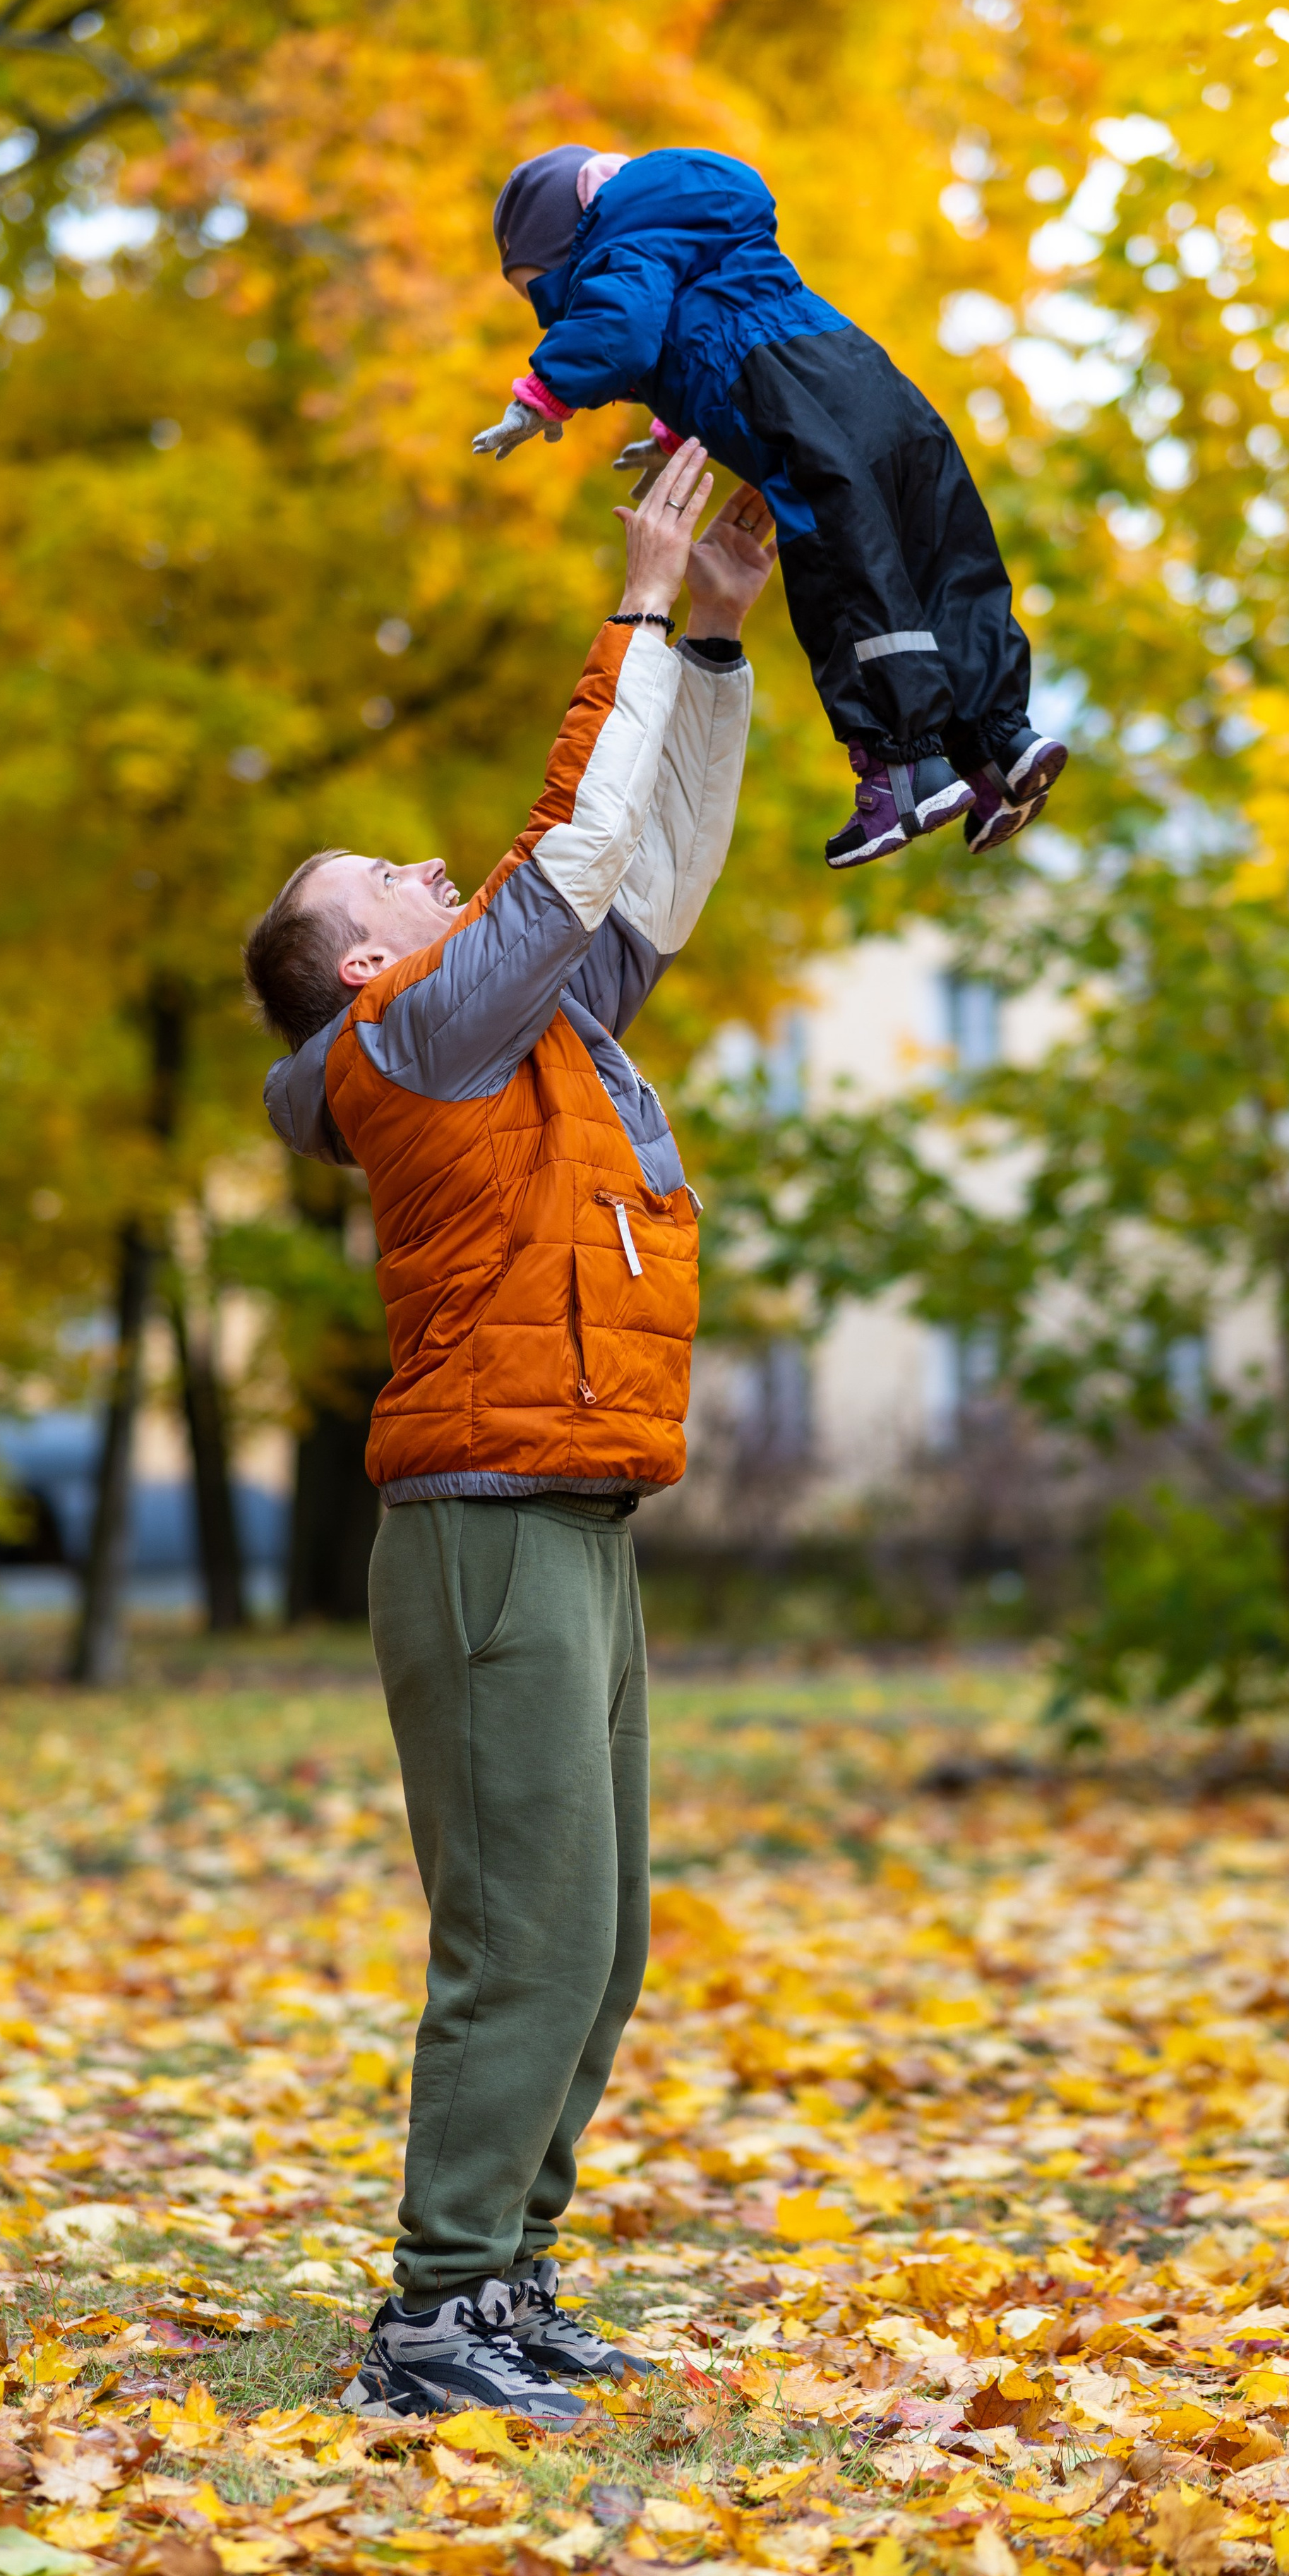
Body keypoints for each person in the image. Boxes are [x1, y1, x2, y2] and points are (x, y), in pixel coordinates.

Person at [244, 442, 775, 2424]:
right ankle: (432, 2320)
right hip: (478, 1524)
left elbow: (646, 873)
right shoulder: (417, 1041)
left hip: (577, 1507)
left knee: (602, 1935)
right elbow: (562, 851)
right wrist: (629, 603)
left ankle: (511, 2281)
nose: (413, 861)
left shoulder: (527, 1017)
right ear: (363, 966)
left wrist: (711, 643)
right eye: (374, 877)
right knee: (523, 1932)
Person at [474, 142, 1067, 874]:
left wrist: (542, 394)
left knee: (846, 571)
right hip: (865, 377)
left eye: (539, 290)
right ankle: (1000, 745)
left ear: (572, 233)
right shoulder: (694, 227)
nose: (547, 312)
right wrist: (673, 432)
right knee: (936, 553)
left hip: (790, 402)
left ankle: (904, 767)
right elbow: (700, 333)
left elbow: (621, 329)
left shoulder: (616, 239)